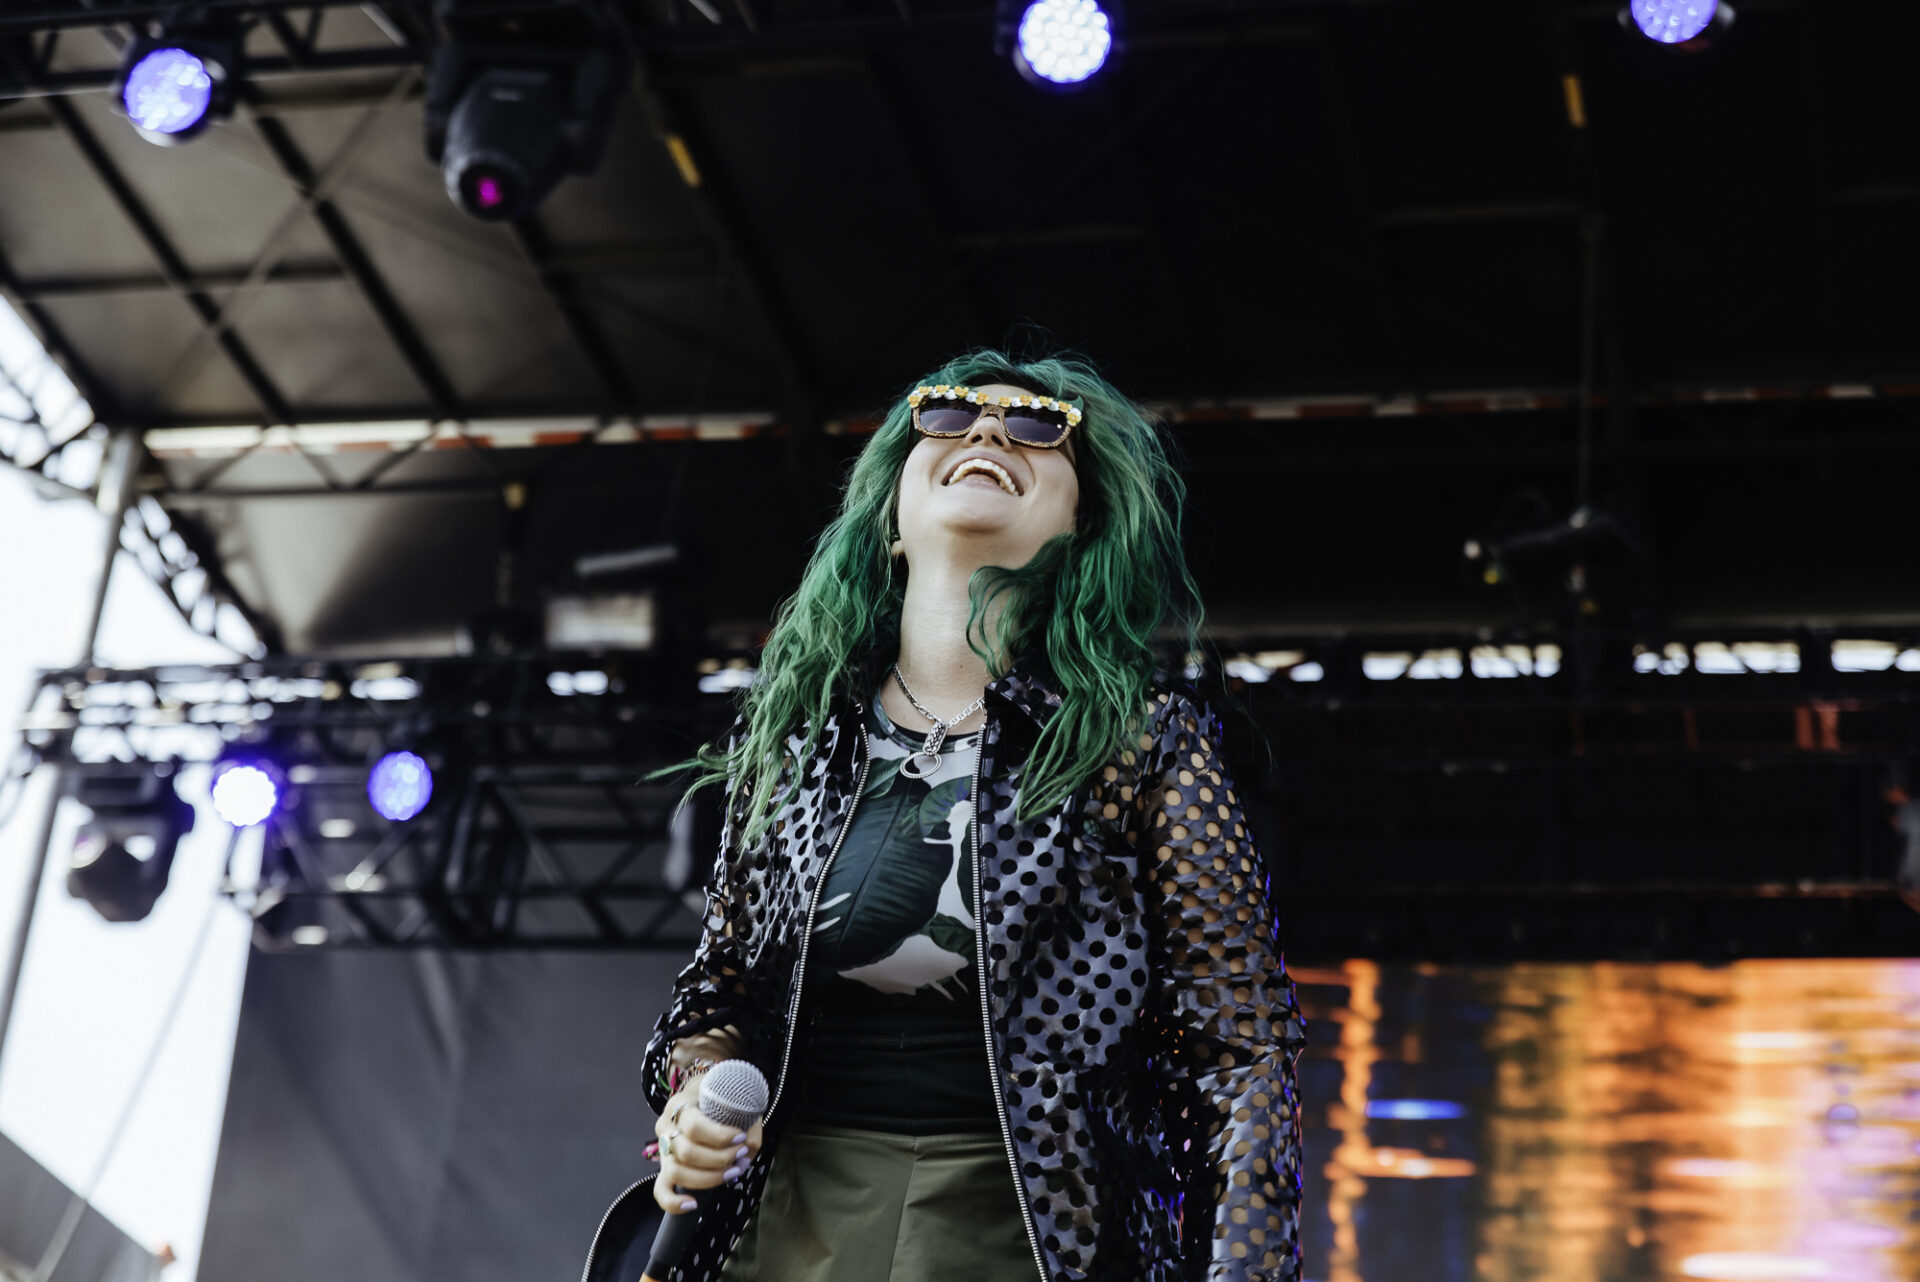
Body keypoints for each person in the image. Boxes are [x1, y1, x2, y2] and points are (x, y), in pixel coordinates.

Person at [589, 349, 1307, 1282]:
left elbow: (1239, 1054)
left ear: (1079, 526)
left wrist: (1247, 1269)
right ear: (891, 519)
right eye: (948, 415)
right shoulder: (797, 739)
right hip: (789, 1219)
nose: (989, 430)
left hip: (1039, 1229)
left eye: (1039, 427)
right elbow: (720, 992)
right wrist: (695, 1100)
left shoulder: (1141, 741)